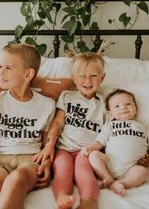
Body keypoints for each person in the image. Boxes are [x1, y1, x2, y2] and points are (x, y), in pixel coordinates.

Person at [0, 43, 56, 209]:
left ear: (28, 74)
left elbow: (47, 144)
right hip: (1, 160)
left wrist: (46, 163)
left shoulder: (47, 105)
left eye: (8, 68)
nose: (0, 72)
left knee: (16, 179)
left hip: (30, 159)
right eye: (0, 66)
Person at [33, 52, 106, 209]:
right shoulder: (67, 96)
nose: (87, 81)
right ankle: (62, 197)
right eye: (82, 76)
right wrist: (49, 145)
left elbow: (110, 132)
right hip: (63, 148)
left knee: (84, 171)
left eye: (93, 76)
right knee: (62, 170)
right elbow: (57, 123)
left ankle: (89, 201)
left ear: (102, 78)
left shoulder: (104, 104)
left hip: (86, 150)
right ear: (73, 78)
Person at [81, 89, 149, 196]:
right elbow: (100, 141)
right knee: (94, 155)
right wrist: (90, 147)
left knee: (144, 172)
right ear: (110, 114)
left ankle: (121, 183)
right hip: (110, 163)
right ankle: (106, 177)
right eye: (117, 106)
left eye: (128, 104)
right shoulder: (109, 126)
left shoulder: (143, 127)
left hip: (132, 167)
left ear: (136, 109)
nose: (123, 107)